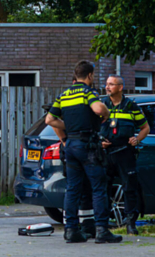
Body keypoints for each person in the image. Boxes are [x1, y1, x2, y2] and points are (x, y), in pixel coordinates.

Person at [45, 61, 122, 244]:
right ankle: (102, 230)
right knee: (98, 187)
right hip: (87, 145)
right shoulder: (88, 92)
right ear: (89, 76)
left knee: (72, 188)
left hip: (70, 144)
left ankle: (71, 230)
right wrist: (106, 114)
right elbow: (98, 108)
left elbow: (50, 119)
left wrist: (69, 128)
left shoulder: (63, 95)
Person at [100, 75, 149, 234]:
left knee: (129, 187)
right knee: (103, 188)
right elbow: (93, 127)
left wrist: (136, 139)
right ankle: (103, 223)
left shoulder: (131, 106)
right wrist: (99, 141)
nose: (107, 87)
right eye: (107, 84)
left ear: (120, 87)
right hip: (106, 152)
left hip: (125, 151)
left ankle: (130, 223)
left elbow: (145, 128)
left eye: (111, 84)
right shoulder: (102, 105)